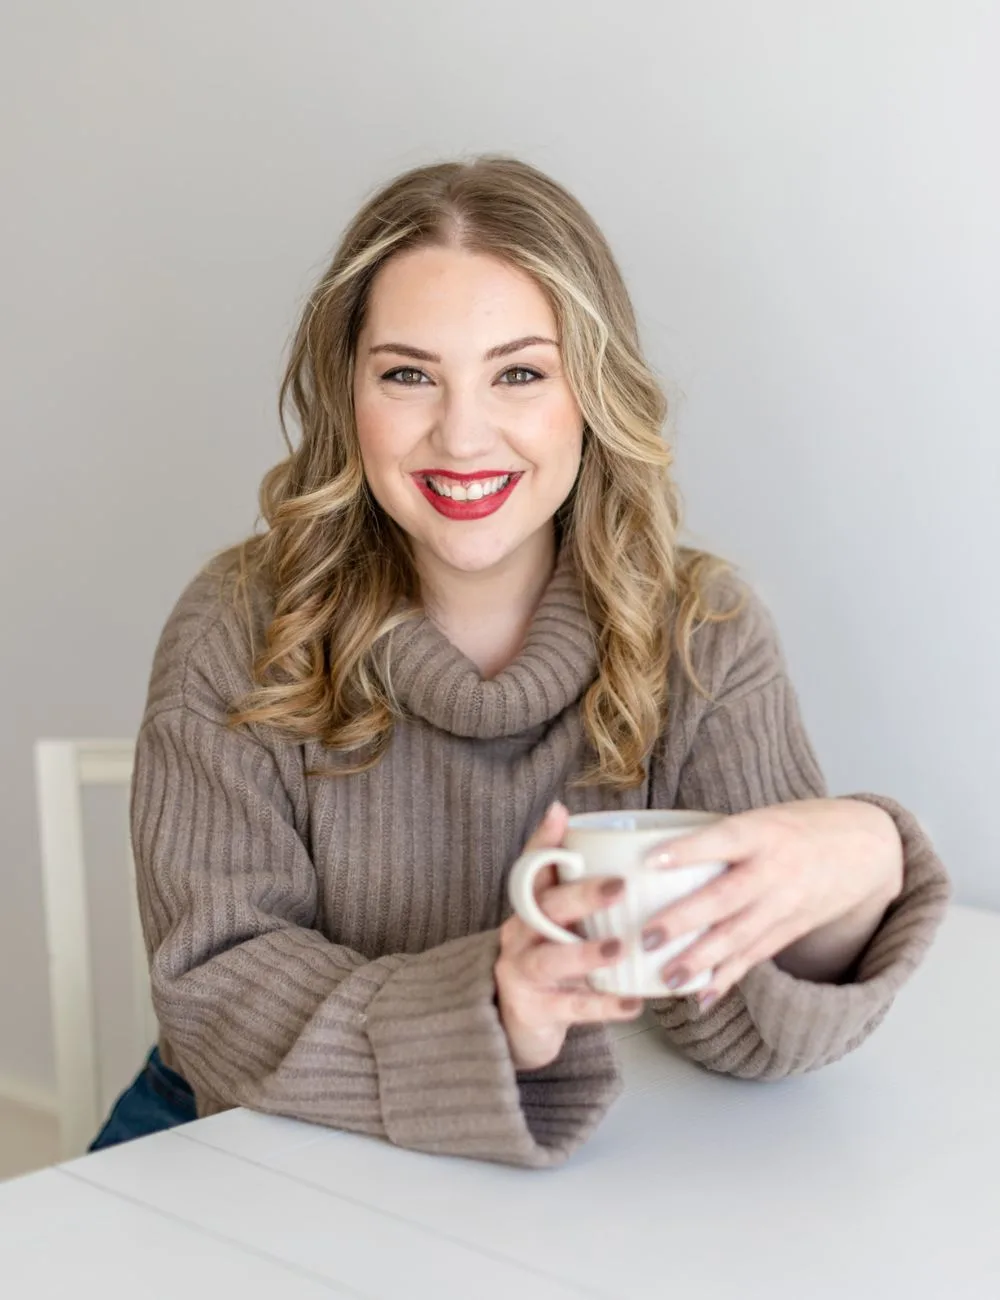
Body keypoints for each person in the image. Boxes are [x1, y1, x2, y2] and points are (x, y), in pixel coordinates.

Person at [89, 156, 949, 1165]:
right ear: (346, 391)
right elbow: (215, 996)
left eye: (519, 373)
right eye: (408, 374)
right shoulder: (239, 624)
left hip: (549, 1176)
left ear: (588, 393)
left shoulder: (700, 629)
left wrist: (861, 865)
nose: (460, 435)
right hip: (238, 1138)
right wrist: (490, 1009)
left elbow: (746, 1030)